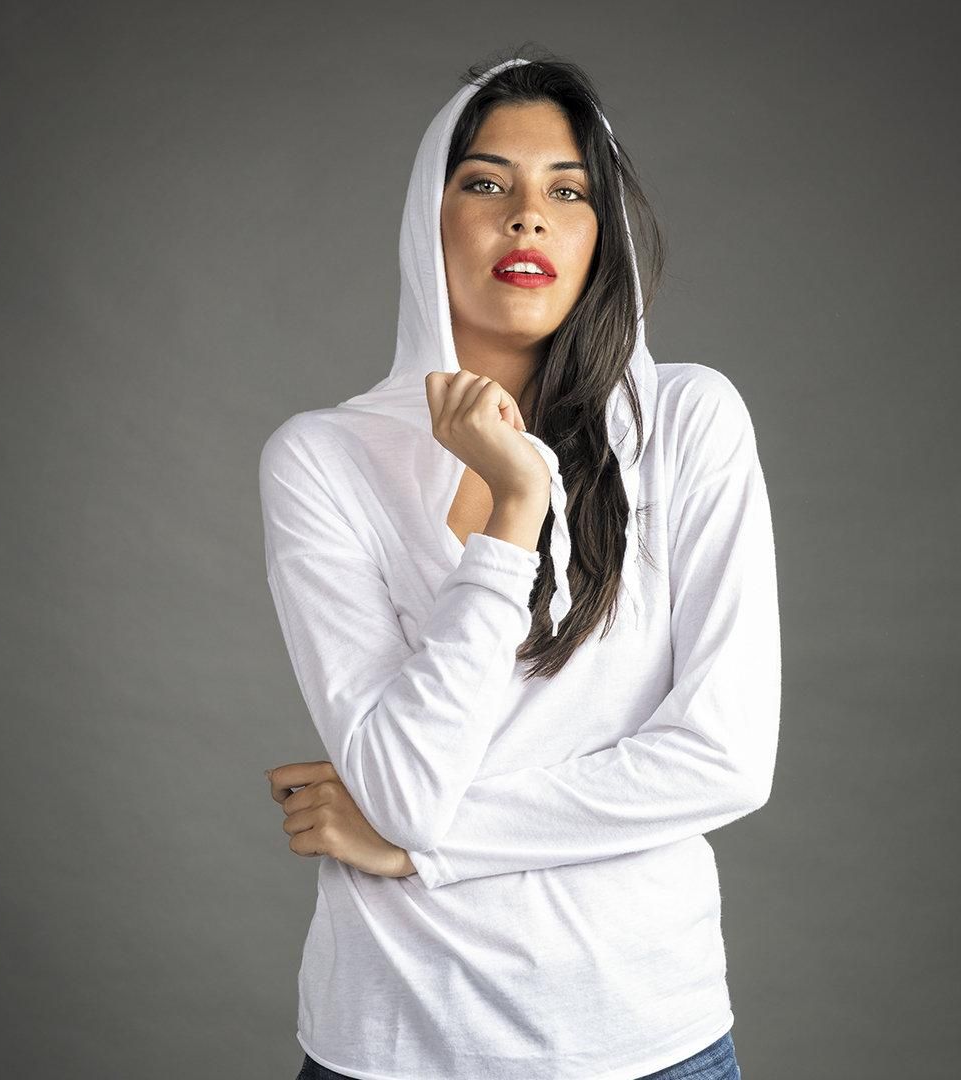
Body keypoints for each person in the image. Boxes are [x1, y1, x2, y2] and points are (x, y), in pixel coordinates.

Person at [260, 49, 780, 1080]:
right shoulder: (322, 459)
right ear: (430, 218)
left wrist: (421, 850)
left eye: (567, 192)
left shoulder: (687, 422)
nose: (528, 217)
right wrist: (515, 508)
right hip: (390, 1040)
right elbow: (405, 788)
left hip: (645, 1038)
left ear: (602, 233)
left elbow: (723, 758)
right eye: (487, 183)